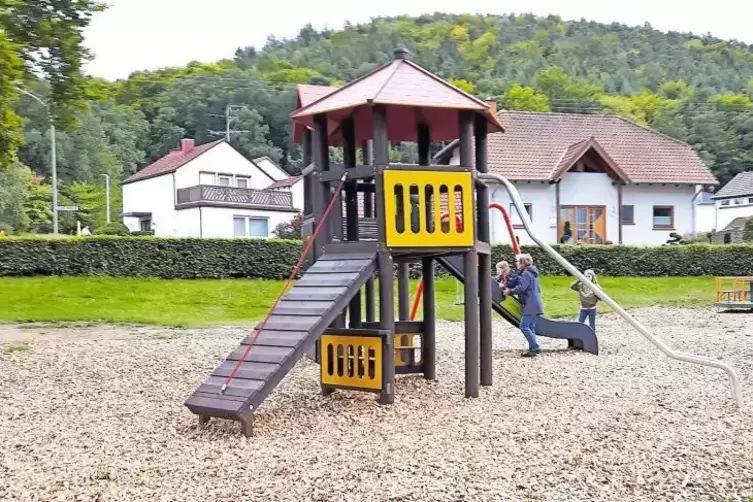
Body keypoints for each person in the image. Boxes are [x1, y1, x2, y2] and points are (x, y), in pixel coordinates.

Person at [504, 253, 544, 357]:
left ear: (522, 263)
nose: (516, 263)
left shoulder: (526, 274)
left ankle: (535, 347)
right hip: (536, 303)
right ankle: (533, 349)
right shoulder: (533, 274)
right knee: (531, 327)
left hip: (530, 304)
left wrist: (510, 291)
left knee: (524, 326)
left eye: (517, 262)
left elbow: (522, 287)